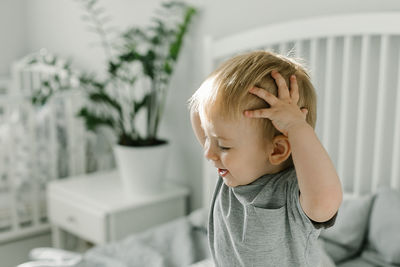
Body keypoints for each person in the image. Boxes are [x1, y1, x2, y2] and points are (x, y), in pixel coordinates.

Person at [187, 51, 343, 267]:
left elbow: (325, 198)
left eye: (223, 145)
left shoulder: (291, 195)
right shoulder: (234, 171)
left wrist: (296, 126)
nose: (208, 153)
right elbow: (198, 113)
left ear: (277, 150)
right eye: (208, 138)